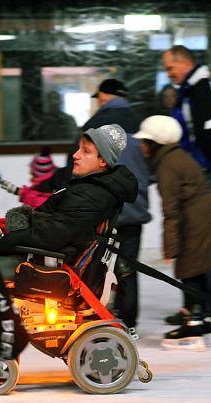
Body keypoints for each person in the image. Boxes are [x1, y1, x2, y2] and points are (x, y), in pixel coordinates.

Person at [134, 116, 211, 350]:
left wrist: (170, 246)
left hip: (195, 220)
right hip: (204, 216)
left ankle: (194, 324)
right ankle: (202, 322)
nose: (141, 146)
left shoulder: (167, 165)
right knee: (198, 270)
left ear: (156, 143)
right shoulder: (176, 157)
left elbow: (171, 210)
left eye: (145, 141)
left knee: (190, 271)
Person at [0, 124, 137, 264]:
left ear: (103, 161)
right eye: (78, 148)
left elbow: (51, 236)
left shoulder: (91, 195)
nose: (75, 155)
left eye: (85, 151)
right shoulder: (89, 186)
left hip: (47, 265)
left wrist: (9, 241)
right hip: (40, 256)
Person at [161, 45, 211, 322]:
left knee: (197, 243)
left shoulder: (199, 89)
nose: (169, 74)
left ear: (185, 63)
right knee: (199, 241)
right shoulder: (191, 89)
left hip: (203, 173)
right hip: (201, 170)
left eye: (170, 68)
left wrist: (196, 167)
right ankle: (199, 305)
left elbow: (207, 134)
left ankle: (203, 307)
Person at [81, 79, 151, 332]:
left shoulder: (94, 125)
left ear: (104, 96)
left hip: (104, 210)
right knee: (128, 269)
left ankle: (94, 317)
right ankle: (129, 323)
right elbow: (149, 169)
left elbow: (79, 166)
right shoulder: (140, 123)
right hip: (135, 208)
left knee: (93, 265)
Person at [0, 147, 68, 208]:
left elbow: (35, 198)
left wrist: (25, 195)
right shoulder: (48, 186)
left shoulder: (40, 200)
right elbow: (36, 193)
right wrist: (18, 191)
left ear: (37, 174)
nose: (30, 173)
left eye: (32, 170)